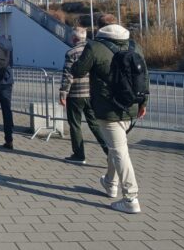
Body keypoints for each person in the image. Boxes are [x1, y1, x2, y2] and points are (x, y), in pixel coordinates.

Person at [71, 14, 149, 214]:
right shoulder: (134, 46)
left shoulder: (95, 47)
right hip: (131, 106)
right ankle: (110, 183)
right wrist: (143, 103)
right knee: (115, 147)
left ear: (99, 28)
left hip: (107, 108)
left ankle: (131, 198)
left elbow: (78, 71)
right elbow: (144, 75)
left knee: (120, 151)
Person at [59, 27, 108, 164]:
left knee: (75, 124)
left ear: (74, 38)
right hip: (92, 93)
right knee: (95, 124)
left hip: (75, 94)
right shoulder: (94, 50)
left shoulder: (71, 53)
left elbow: (68, 75)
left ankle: (79, 155)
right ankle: (109, 152)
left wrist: (63, 92)